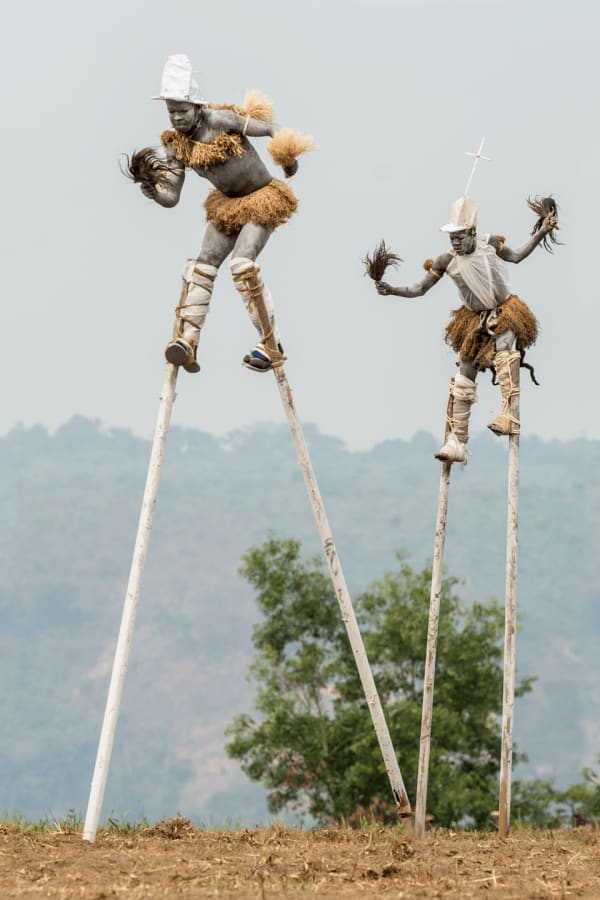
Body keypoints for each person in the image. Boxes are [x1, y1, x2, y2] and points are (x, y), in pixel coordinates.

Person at [126, 54, 314, 373]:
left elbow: (271, 129)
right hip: (227, 205)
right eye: (172, 113)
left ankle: (271, 343)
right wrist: (153, 191)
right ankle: (187, 342)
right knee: (202, 266)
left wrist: (289, 158)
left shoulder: (221, 120)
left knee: (242, 265)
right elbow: (172, 197)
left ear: (196, 106)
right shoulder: (176, 145)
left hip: (261, 198)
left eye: (182, 111)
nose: (177, 119)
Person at [374, 194, 558, 463]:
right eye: (452, 238)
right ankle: (456, 440)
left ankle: (508, 415)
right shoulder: (445, 261)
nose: (456, 242)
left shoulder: (490, 244)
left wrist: (542, 231)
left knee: (504, 352)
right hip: (474, 319)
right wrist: (392, 290)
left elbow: (517, 256)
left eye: (460, 236)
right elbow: (419, 288)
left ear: (472, 232)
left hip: (505, 312)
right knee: (465, 373)